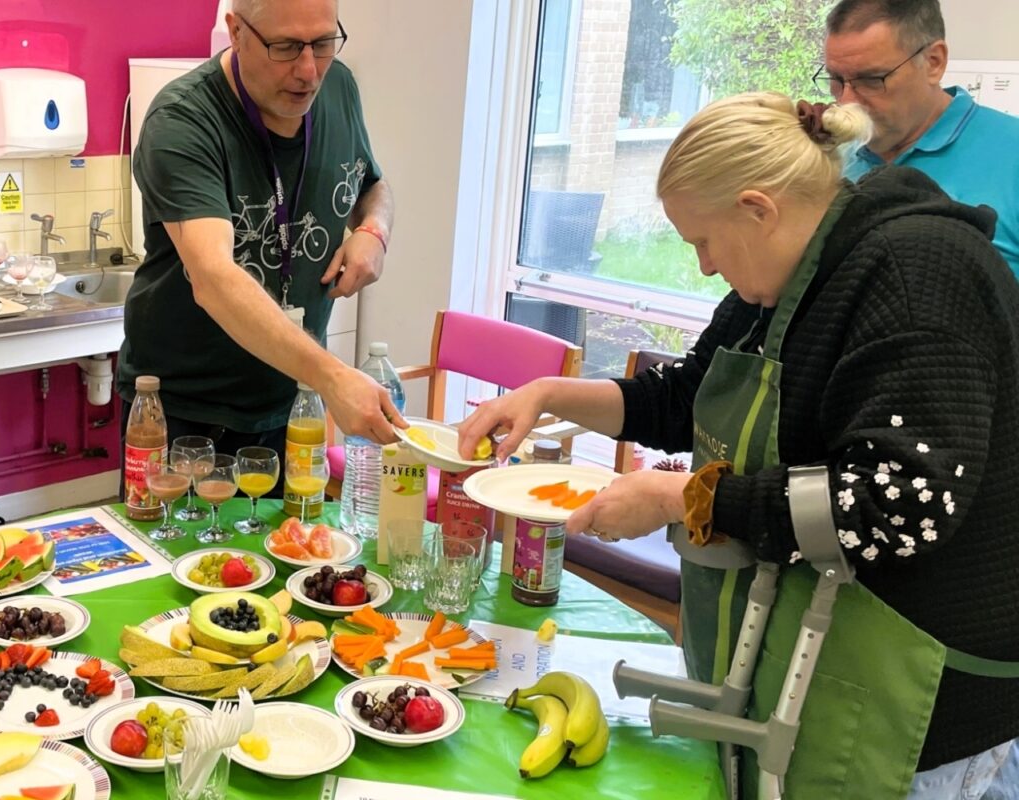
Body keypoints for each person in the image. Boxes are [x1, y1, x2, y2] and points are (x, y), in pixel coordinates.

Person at [459, 95, 1019, 798]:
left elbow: (896, 502)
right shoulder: (785, 282)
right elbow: (683, 397)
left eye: (702, 241)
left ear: (758, 209)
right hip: (807, 655)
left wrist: (687, 498)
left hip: (917, 704)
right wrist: (547, 395)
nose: (701, 267)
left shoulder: (917, 278)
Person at [120, 0, 402, 462]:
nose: (309, 71)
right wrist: (332, 376)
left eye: (324, 43)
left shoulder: (339, 87)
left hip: (293, 404)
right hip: (187, 415)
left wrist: (375, 231)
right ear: (235, 31)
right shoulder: (183, 120)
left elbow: (372, 184)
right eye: (286, 47)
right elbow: (213, 278)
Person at [821, 0, 1019, 274]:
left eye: (872, 79)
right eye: (836, 79)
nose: (846, 102)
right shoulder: (831, 159)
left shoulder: (1012, 155)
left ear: (933, 62)